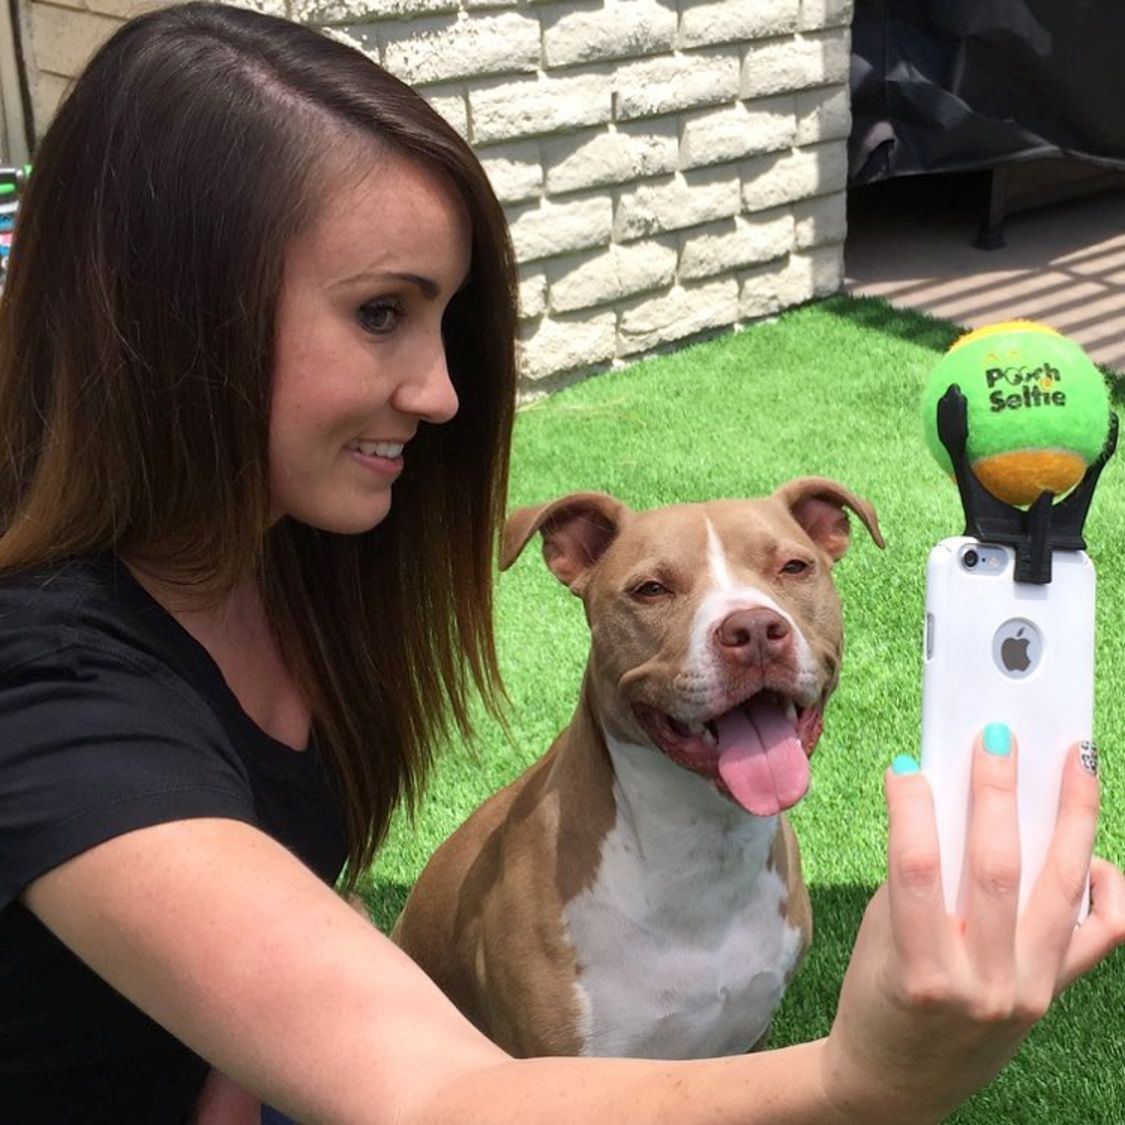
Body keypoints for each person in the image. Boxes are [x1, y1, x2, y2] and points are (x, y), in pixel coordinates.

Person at [0, 4, 1121, 1123]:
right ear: (178, 316)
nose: (442, 395)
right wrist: (862, 1074)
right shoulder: (50, 686)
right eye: (380, 311)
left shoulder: (296, 563)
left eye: (449, 323)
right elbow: (439, 1095)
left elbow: (265, 915)